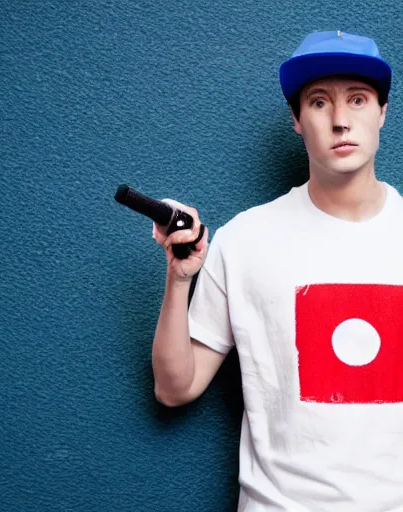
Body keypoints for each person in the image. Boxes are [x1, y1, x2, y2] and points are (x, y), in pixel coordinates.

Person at [151, 31, 403, 511]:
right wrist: (179, 278)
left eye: (358, 99)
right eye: (318, 102)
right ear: (296, 120)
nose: (340, 120)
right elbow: (174, 389)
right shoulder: (246, 239)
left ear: (383, 112)